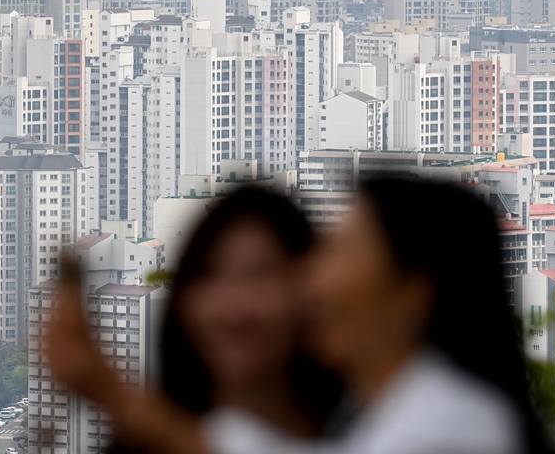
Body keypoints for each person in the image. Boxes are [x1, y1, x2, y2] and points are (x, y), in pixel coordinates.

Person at [46, 177, 541, 454]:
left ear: (412, 292)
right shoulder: (385, 418)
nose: (314, 280)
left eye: (342, 253)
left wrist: (110, 391)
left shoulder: (451, 424)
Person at [51, 187, 341, 453]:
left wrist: (116, 398)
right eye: (210, 274)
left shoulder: (365, 432)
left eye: (260, 273)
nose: (234, 305)